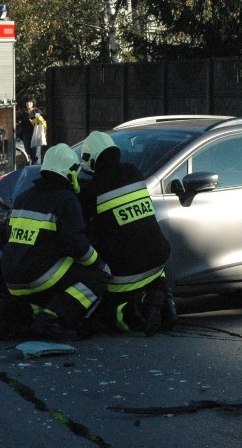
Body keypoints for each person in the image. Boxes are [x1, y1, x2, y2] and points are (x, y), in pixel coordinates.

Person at [1, 143, 110, 340]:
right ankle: (52, 319)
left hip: (11, 277)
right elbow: (75, 243)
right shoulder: (65, 199)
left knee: (57, 265)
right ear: (69, 172)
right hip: (38, 277)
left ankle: (35, 311)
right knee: (97, 278)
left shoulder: (23, 197)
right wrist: (98, 263)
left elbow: (8, 234)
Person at [78, 131, 176, 336]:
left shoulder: (91, 192)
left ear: (92, 159)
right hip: (159, 260)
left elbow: (81, 230)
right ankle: (159, 296)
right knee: (149, 249)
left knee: (107, 317)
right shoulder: (134, 172)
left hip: (125, 273)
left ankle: (134, 314)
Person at [18, 96, 46, 165]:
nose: (28, 104)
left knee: (36, 154)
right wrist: (21, 136)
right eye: (27, 102)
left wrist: (36, 115)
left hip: (36, 135)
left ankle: (36, 169)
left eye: (30, 102)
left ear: (33, 103)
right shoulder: (24, 113)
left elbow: (41, 120)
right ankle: (30, 168)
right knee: (29, 154)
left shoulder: (36, 111)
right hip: (26, 136)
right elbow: (22, 125)